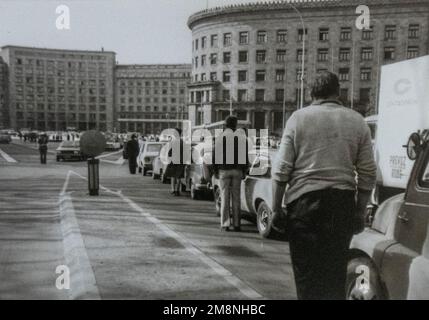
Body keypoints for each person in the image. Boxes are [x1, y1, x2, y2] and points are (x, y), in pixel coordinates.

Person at [271, 71, 377, 300]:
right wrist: (359, 212)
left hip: (304, 207)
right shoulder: (357, 121)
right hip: (341, 206)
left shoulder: (298, 119)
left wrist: (276, 208)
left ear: (311, 93)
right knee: (334, 276)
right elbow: (368, 172)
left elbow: (281, 170)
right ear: (338, 93)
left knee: (307, 277)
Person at [213, 116, 248, 232]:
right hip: (237, 170)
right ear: (235, 125)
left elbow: (215, 156)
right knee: (237, 198)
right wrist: (244, 170)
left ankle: (225, 223)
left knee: (224, 197)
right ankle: (237, 224)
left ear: (225, 125)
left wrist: (215, 171)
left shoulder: (219, 138)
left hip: (223, 170)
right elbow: (244, 156)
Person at [167, 128, 185, 196]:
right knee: (179, 176)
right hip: (181, 161)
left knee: (173, 176)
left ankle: (173, 190)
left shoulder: (172, 142)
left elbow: (169, 152)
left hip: (174, 160)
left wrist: (169, 159)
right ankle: (177, 190)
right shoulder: (183, 142)